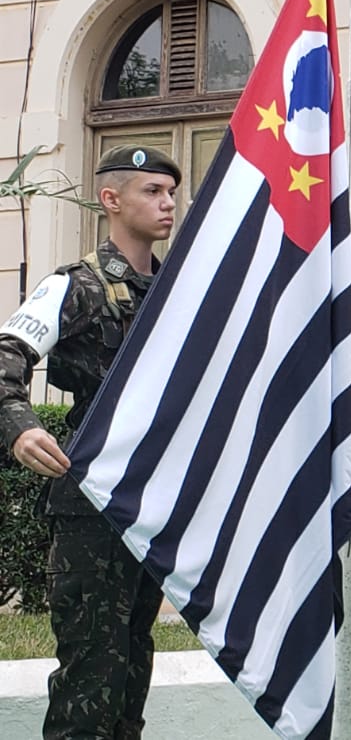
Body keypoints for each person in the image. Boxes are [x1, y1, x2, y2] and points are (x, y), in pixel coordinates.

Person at [1, 145, 181, 739]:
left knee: (132, 672)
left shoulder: (179, 292)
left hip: (152, 503)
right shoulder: (75, 285)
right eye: (152, 191)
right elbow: (6, 357)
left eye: (171, 192)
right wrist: (22, 426)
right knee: (90, 677)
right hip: (93, 505)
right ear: (111, 200)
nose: (168, 203)